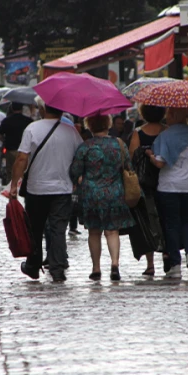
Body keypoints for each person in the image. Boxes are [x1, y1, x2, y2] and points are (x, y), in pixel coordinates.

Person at [10, 104, 83, 282]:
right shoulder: (71, 131)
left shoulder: (32, 129)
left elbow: (21, 158)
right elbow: (81, 156)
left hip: (37, 188)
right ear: (61, 111)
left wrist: (14, 185)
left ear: (44, 109)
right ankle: (57, 269)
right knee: (59, 229)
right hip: (62, 188)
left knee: (35, 228)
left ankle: (33, 266)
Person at [70, 114, 134, 281]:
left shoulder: (85, 146)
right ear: (108, 124)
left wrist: (79, 178)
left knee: (94, 232)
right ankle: (114, 264)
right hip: (114, 192)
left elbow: (74, 171)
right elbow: (128, 166)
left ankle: (96, 268)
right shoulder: (118, 144)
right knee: (112, 231)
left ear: (89, 126)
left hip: (91, 194)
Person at [147, 107, 188, 279]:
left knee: (172, 224)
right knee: (187, 220)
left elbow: (159, 163)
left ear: (172, 115)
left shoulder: (164, 136)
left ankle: (175, 264)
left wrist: (151, 156)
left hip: (170, 186)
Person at [0, 102, 33, 180]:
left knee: (11, 171)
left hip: (10, 150)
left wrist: (5, 140)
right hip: (25, 151)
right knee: (23, 170)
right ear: (22, 109)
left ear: (12, 108)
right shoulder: (28, 121)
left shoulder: (6, 120)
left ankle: (10, 187)